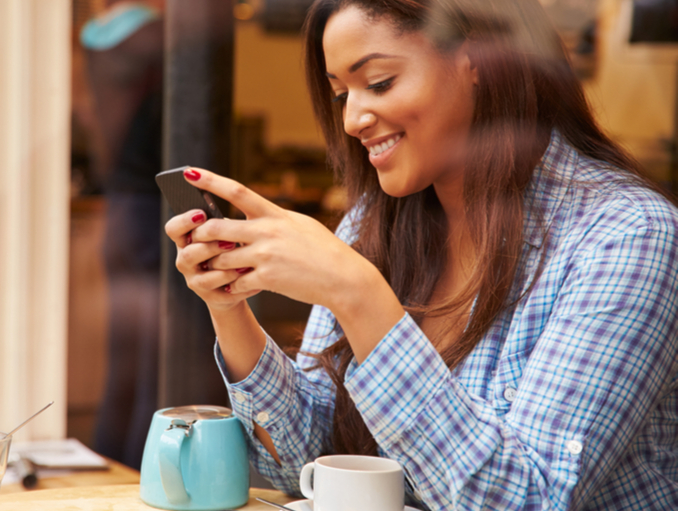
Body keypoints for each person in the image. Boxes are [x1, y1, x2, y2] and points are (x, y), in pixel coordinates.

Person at [164, 0, 678, 509]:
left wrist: (360, 296)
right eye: (341, 93)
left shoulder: (626, 235)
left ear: (477, 59)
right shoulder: (374, 219)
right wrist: (229, 305)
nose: (352, 119)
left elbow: (528, 500)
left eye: (380, 82)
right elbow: (300, 467)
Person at [80, 0, 164, 469]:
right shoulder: (154, 39)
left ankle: (110, 464)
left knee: (125, 362)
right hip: (153, 211)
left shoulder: (95, 39)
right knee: (158, 363)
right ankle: (146, 474)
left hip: (120, 211)